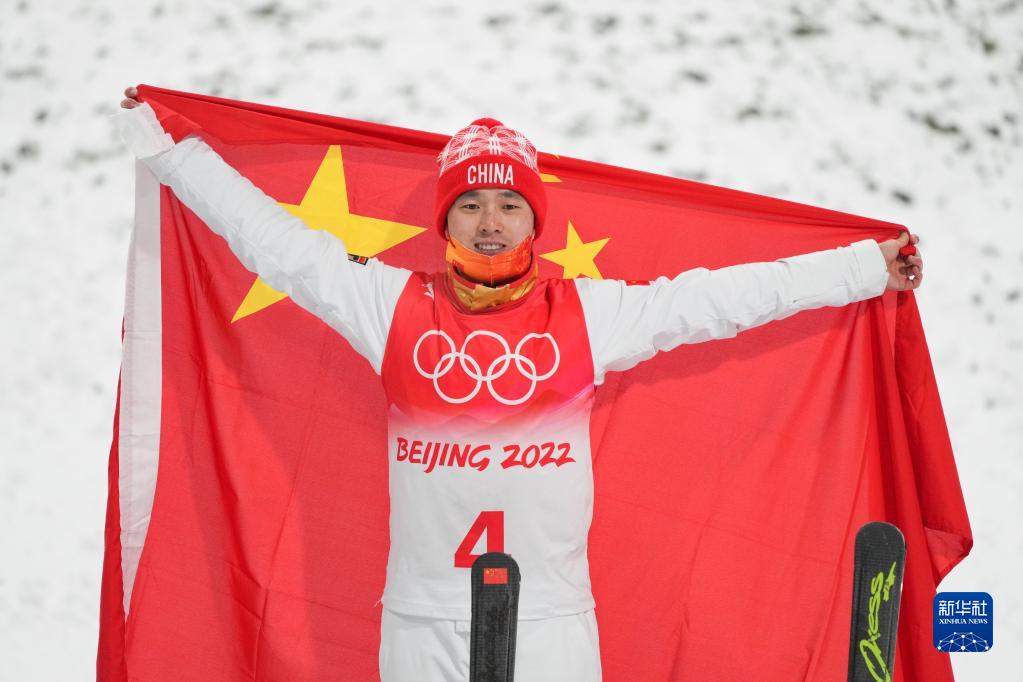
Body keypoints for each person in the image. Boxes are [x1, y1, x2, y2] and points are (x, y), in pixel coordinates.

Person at [114, 86, 923, 682]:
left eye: (508, 204)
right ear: (445, 220)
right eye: (470, 204)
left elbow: (724, 299)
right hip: (421, 620)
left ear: (537, 222)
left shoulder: (587, 315)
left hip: (549, 626)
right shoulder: (392, 304)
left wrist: (858, 266)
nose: (490, 221)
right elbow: (277, 244)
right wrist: (170, 149)